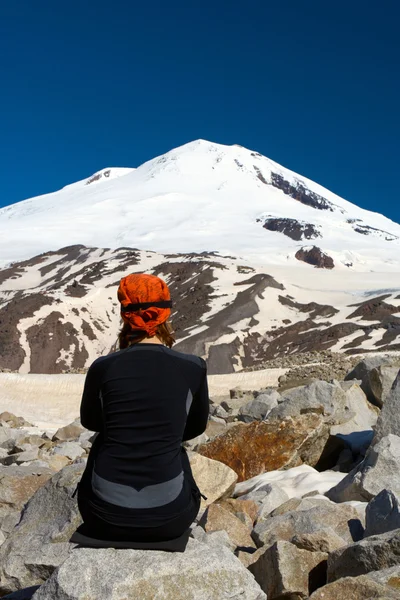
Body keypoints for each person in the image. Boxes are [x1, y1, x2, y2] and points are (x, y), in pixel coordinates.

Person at [75, 273, 209, 548]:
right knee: (175, 448)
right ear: (165, 314)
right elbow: (194, 428)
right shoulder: (193, 367)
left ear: (125, 315)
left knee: (104, 440)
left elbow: (91, 422)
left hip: (103, 516)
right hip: (170, 518)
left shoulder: (103, 367)